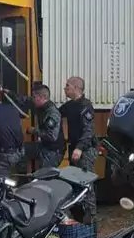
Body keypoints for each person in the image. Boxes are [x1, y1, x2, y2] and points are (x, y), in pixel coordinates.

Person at [59, 76, 98, 223]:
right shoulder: (69, 106)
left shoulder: (85, 106)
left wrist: (80, 148)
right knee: (75, 182)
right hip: (74, 148)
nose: (65, 88)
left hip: (86, 150)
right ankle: (79, 215)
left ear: (76, 88)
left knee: (86, 181)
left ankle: (90, 217)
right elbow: (55, 113)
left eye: (67, 86)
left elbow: (89, 131)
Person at [27, 84, 65, 168]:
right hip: (44, 146)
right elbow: (26, 100)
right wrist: (9, 93)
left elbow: (52, 136)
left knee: (45, 177)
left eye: (34, 97)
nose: (32, 100)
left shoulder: (51, 112)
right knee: (21, 151)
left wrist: (34, 131)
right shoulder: (42, 108)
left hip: (53, 151)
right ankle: (23, 177)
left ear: (41, 97)